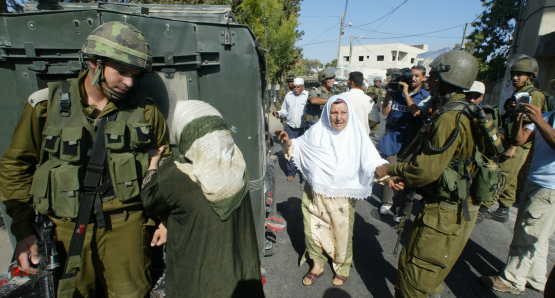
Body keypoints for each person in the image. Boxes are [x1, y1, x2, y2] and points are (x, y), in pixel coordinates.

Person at [0, 21, 172, 297]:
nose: (129, 82)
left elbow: (168, 167)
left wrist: (166, 219)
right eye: (122, 71)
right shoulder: (46, 106)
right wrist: (23, 231)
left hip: (126, 228)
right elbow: (15, 166)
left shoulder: (146, 111)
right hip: (64, 230)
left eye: (135, 74)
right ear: (93, 62)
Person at [376, 50, 481, 298]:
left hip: (445, 210)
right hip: (455, 205)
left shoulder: (449, 116)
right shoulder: (466, 108)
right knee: (427, 273)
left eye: (433, 75)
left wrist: (389, 169)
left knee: (415, 275)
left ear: (448, 77)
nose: (429, 80)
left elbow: (424, 171)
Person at [141, 100, 264, 298]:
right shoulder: (236, 162)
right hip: (240, 276)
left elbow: (150, 200)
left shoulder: (177, 174)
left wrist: (154, 162)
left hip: (201, 283)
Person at [275, 95, 388, 287]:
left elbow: (374, 161)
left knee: (341, 233)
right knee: (312, 231)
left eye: (343, 112)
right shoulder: (317, 131)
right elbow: (296, 147)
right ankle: (317, 264)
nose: (338, 117)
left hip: (342, 198)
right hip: (314, 194)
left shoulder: (357, 134)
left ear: (349, 113)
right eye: (334, 112)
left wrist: (388, 176)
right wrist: (286, 141)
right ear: (327, 113)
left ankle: (341, 266)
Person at [480, 102, 555, 294]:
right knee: (537, 234)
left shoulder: (542, 118)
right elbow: (519, 139)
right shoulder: (547, 116)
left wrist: (538, 120)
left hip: (550, 188)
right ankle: (536, 278)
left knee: (526, 231)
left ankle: (512, 279)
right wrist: (519, 117)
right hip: (536, 182)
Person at [482, 55, 546, 223]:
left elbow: (530, 125)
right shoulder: (519, 93)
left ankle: (483, 208)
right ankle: (503, 210)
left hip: (519, 145)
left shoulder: (535, 95)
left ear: (530, 77)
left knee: (501, 174)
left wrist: (514, 147)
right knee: (510, 176)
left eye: (520, 74)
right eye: (514, 74)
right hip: (510, 141)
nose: (515, 77)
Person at [378, 65, 432, 216]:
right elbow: (385, 111)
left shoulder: (426, 95)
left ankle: (398, 203)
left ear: (423, 78)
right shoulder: (397, 92)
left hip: (411, 140)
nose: (413, 79)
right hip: (392, 136)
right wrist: (389, 92)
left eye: (417, 76)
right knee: (389, 168)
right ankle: (387, 201)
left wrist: (406, 93)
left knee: (404, 172)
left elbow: (417, 113)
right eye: (411, 75)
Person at [273, 78, 308, 182]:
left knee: (303, 151)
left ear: (303, 87)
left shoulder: (308, 95)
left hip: (303, 128)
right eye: (294, 87)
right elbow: (285, 110)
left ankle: (304, 173)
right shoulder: (289, 95)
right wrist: (279, 113)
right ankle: (291, 172)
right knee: (289, 149)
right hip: (290, 127)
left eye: (298, 87)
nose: (296, 89)